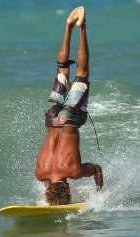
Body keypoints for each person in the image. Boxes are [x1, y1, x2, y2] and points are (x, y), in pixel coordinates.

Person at [35, 6, 104, 206]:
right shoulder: (40, 174)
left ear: (66, 189)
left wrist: (99, 195)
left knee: (82, 74)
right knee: (62, 72)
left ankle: (82, 28)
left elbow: (97, 169)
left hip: (71, 117)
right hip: (52, 118)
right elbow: (49, 181)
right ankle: (68, 27)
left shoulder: (74, 173)